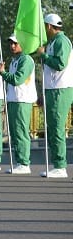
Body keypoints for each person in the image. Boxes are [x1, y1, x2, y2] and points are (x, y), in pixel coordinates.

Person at [39, 13, 71, 178]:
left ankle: (60, 166)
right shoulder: (52, 42)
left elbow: (60, 64)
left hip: (61, 89)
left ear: (50, 26)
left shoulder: (61, 42)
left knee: (57, 127)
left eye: (45, 26)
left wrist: (44, 55)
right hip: (52, 89)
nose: (44, 29)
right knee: (52, 128)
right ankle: (57, 164)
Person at [0, 34, 35, 175]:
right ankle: (19, 161)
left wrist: (3, 73)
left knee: (21, 132)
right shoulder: (15, 60)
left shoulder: (26, 59)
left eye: (15, 43)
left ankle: (24, 163)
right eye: (11, 43)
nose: (12, 46)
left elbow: (17, 79)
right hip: (14, 100)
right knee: (14, 133)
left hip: (22, 100)